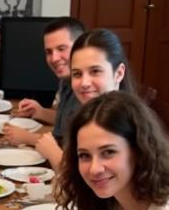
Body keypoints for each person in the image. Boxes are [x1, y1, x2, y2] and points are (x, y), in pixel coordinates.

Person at [13, 28, 130, 169]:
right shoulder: (90, 116)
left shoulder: (121, 125)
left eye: (95, 71)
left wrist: (52, 152)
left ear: (119, 73)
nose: (84, 83)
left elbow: (90, 183)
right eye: (77, 74)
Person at [3, 16, 85, 149]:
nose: (54, 58)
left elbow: (70, 145)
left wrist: (28, 137)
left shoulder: (87, 90)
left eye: (61, 48)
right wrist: (39, 111)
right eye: (49, 52)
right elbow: (65, 121)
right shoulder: (65, 80)